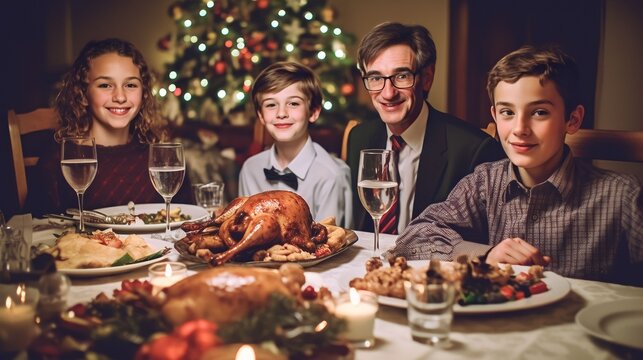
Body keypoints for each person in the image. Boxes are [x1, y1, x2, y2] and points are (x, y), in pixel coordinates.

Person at [390, 45, 642, 285]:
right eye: (508, 112)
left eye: (539, 112)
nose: (520, 129)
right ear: (495, 117)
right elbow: (413, 237)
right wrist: (485, 256)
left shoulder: (623, 196)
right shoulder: (484, 182)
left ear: (572, 119)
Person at [348, 22, 505, 234]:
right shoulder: (359, 138)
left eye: (401, 76)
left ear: (427, 79)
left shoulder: (474, 150)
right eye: (376, 78)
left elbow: (486, 240)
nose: (387, 93)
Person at [28, 38, 192, 216]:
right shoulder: (60, 159)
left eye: (130, 85)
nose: (120, 97)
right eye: (105, 85)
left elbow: (187, 221)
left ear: (144, 94)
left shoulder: (163, 159)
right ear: (82, 94)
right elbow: (36, 228)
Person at [238, 61, 353, 227]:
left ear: (313, 112)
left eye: (293, 103)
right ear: (261, 116)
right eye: (271, 105)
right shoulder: (250, 170)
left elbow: (333, 243)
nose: (282, 113)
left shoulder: (332, 176)